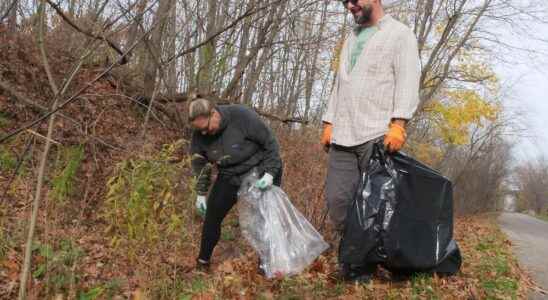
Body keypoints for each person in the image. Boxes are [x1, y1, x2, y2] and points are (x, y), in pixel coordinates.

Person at [321, 0, 420, 283]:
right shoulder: (351, 38)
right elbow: (340, 84)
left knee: (377, 207)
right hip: (343, 134)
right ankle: (356, 256)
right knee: (338, 201)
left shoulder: (399, 34)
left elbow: (408, 80)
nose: (350, 5)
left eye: (354, 0)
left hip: (377, 133)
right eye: (345, 2)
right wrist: (329, 121)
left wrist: (399, 123)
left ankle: (365, 266)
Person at [188, 97, 283, 272]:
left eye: (206, 128)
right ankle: (203, 262)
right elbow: (200, 164)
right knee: (212, 215)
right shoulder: (200, 135)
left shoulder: (241, 116)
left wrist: (270, 173)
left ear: (214, 114)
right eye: (199, 130)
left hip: (260, 170)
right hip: (230, 174)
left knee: (262, 218)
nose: (204, 134)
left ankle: (266, 263)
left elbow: (271, 145)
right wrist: (201, 193)